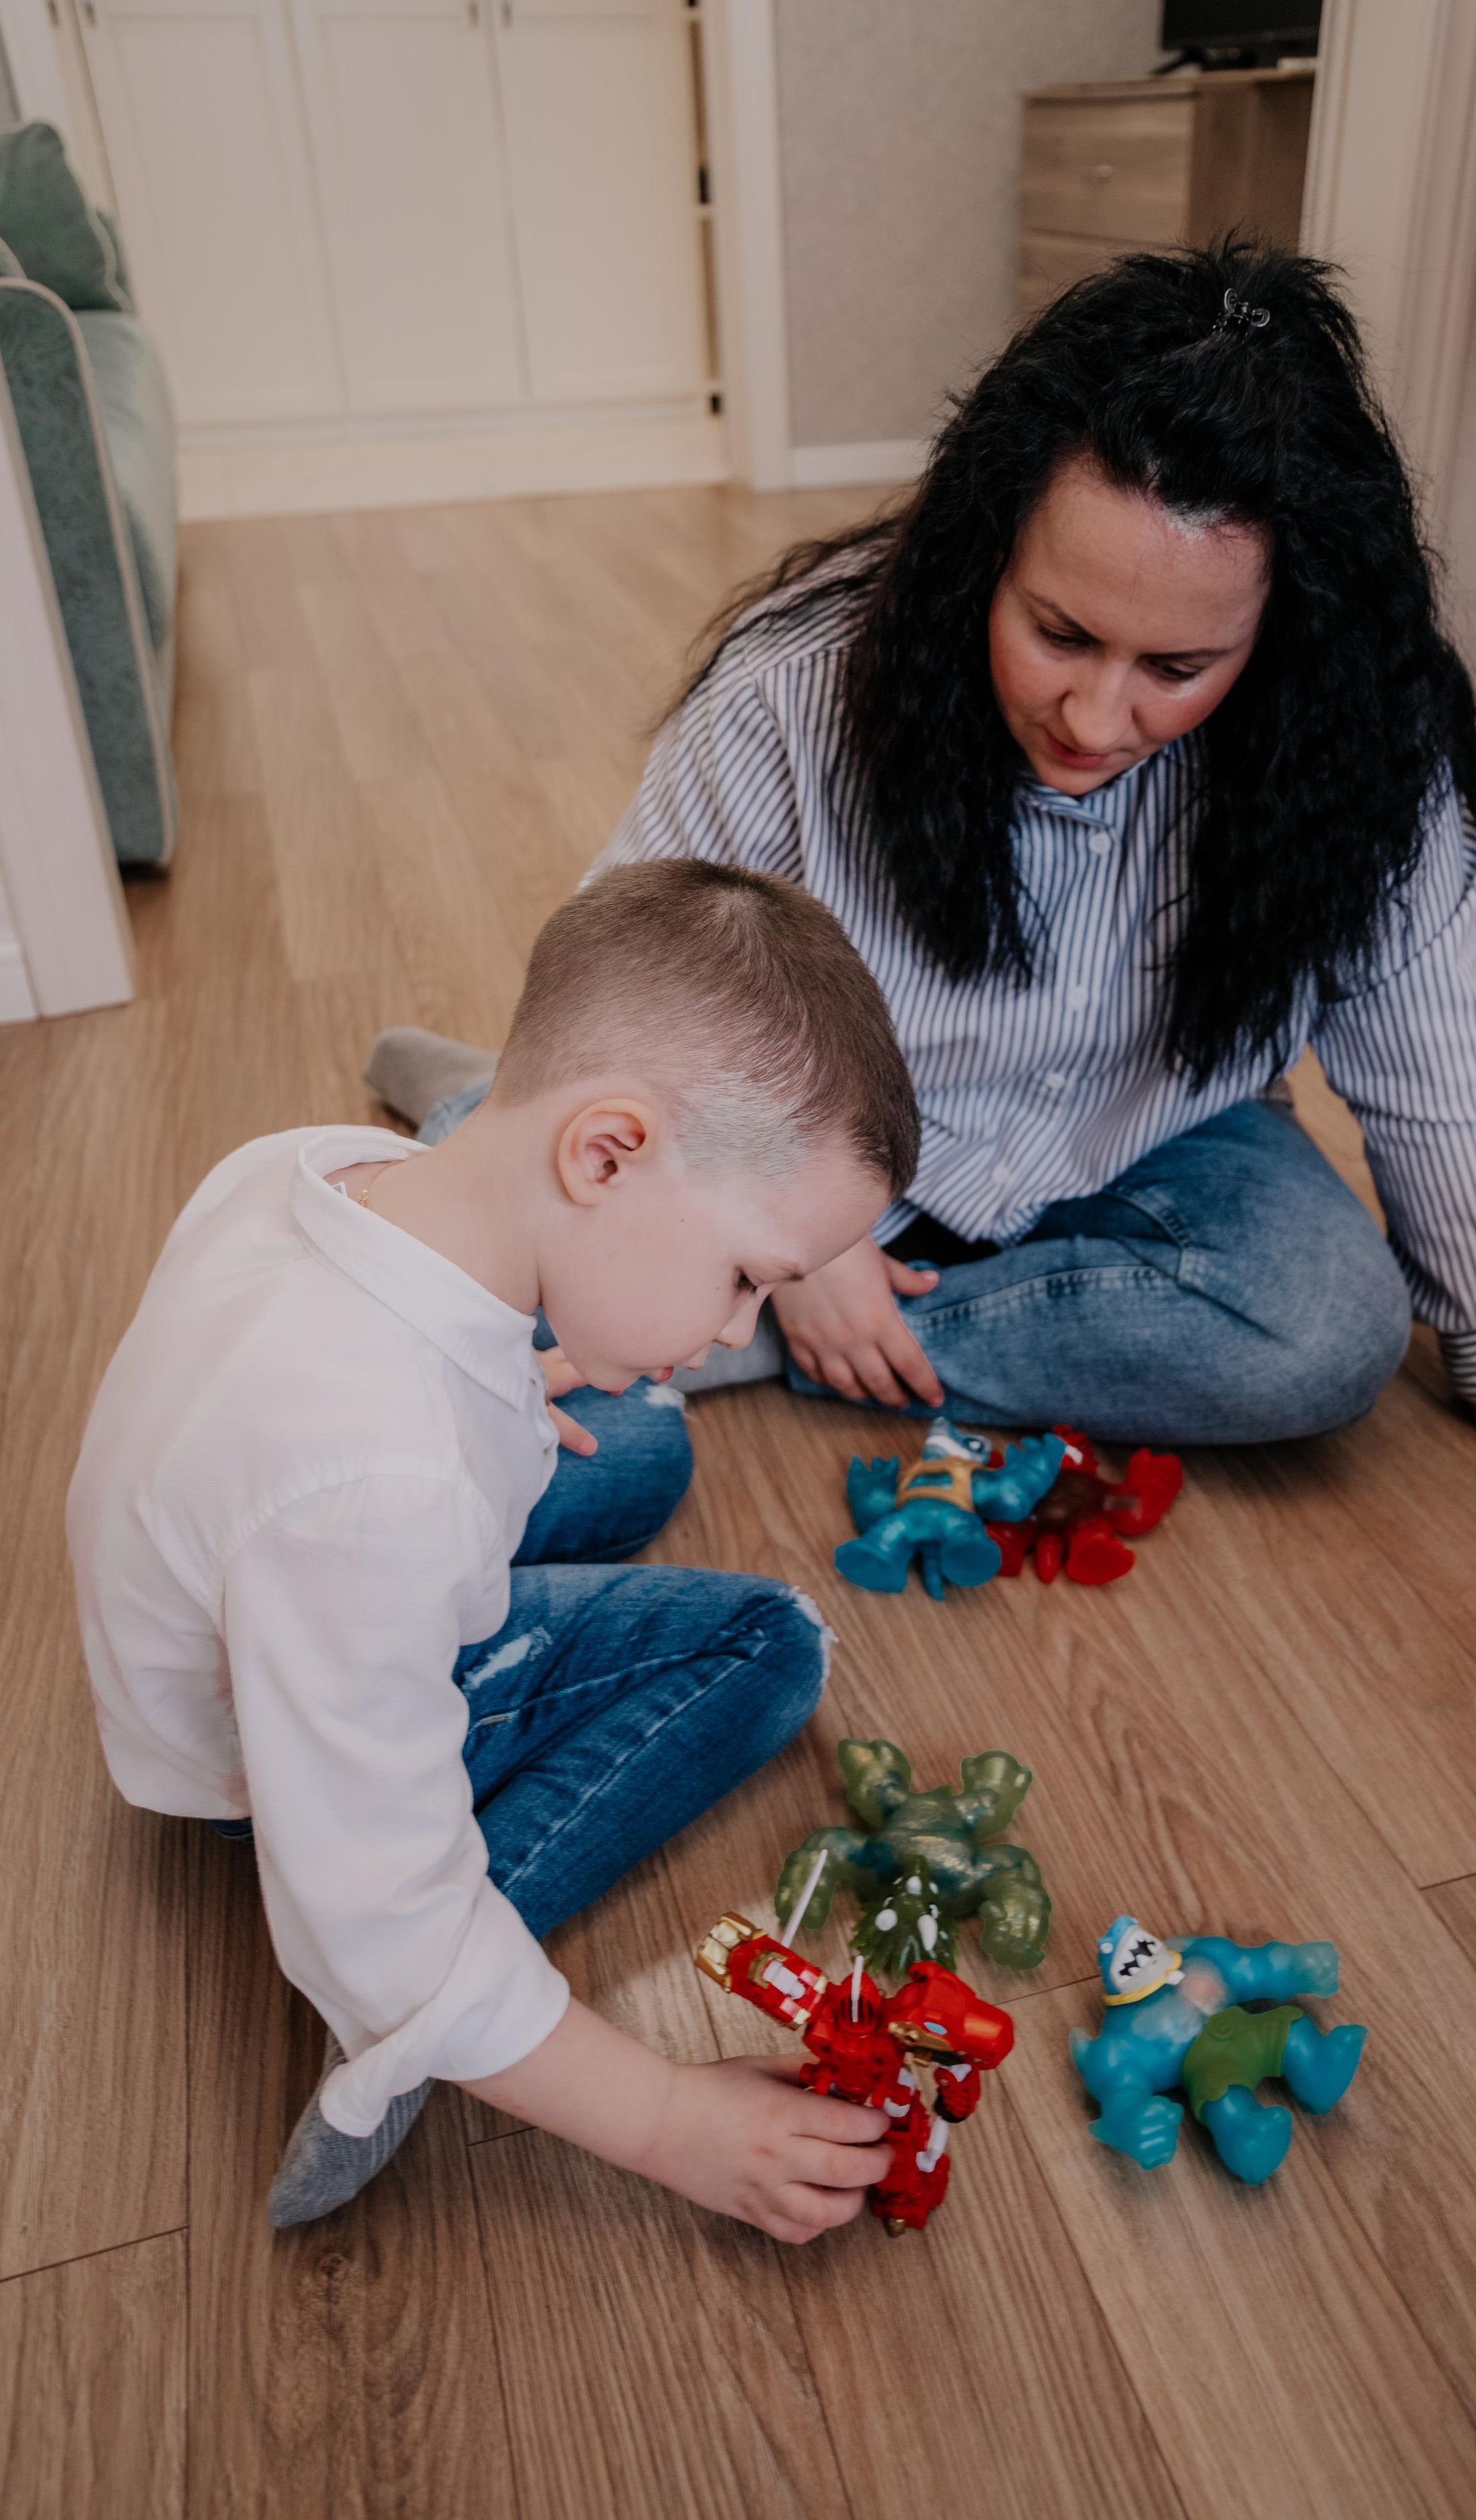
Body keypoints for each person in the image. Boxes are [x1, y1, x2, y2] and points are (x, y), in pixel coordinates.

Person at [371, 241, 1476, 1492]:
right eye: (1058, 633)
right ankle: (527, 1130)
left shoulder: (1368, 753)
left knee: (1320, 1335)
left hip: (1157, 1132)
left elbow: (1433, 1069)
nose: (1090, 718)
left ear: (1280, 633)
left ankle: (720, 1297)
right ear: (984, 557)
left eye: (1176, 670)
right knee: (503, 1370)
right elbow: (639, 960)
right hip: (813, 1141)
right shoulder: (797, 683)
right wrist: (805, 1244)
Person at [68, 860, 921, 2236]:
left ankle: (438, 2002)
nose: (736, 1330)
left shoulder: (317, 1167)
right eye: (748, 1275)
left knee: (644, 1436)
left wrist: (505, 1388)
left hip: (249, 1583)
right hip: (254, 1752)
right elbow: (378, 1896)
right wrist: (667, 2120)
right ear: (605, 1153)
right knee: (770, 1643)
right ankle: (420, 2031)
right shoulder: (376, 1483)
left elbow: (304, 1434)